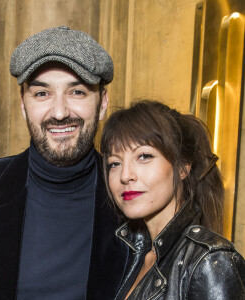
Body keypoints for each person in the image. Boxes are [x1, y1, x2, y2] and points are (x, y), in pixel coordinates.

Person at [0, 26, 128, 300]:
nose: (59, 112)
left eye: (77, 92)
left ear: (102, 103)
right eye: (42, 94)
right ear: (23, 104)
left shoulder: (133, 200)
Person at [100, 99, 245, 299]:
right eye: (114, 163)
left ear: (183, 166)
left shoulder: (209, 260)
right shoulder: (132, 252)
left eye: (144, 156)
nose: (125, 175)